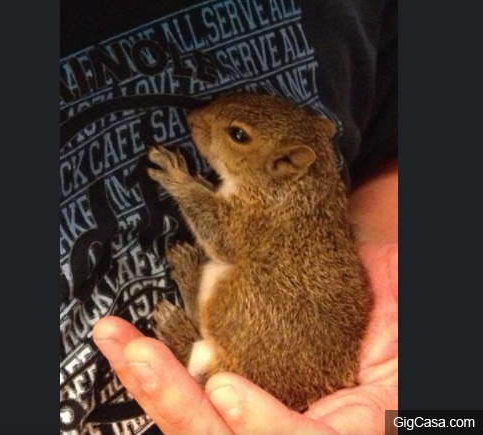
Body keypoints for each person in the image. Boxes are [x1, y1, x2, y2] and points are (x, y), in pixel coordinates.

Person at [60, 1, 398, 434]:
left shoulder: (268, 202)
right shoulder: (277, 196)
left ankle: (193, 340)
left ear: (285, 164)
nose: (197, 121)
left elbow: (387, 144)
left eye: (237, 136)